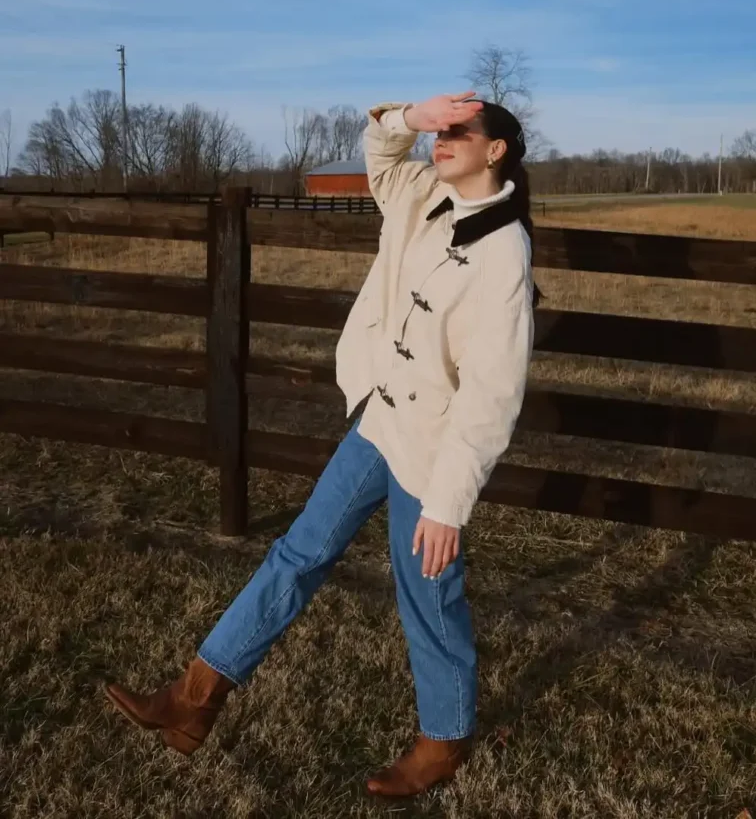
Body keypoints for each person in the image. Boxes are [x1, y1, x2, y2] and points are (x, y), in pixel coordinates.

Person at [104, 91, 537, 799]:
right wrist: (409, 119)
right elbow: (380, 153)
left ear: (496, 151)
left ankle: (445, 739)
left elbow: (491, 397)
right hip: (378, 422)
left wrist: (447, 504)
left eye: (462, 131)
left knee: (426, 592)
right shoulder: (421, 193)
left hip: (431, 450)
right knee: (297, 553)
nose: (445, 137)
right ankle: (193, 698)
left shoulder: (502, 255)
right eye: (443, 128)